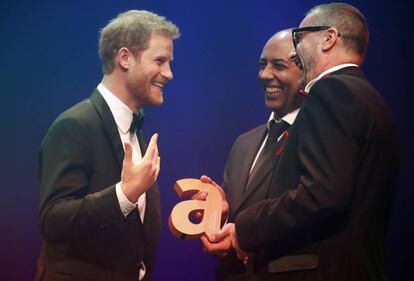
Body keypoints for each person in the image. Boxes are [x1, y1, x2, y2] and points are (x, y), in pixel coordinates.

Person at [202, 3, 399, 281]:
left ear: (328, 38)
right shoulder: (370, 98)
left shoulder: (331, 89)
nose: (297, 50)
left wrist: (243, 229)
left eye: (300, 38)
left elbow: (322, 194)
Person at [35, 10, 180, 281]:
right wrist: (123, 195)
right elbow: (53, 221)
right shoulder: (75, 125)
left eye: (169, 63)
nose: (169, 73)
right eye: (159, 61)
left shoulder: (137, 130)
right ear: (124, 58)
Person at [199, 29, 304, 280]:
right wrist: (220, 217)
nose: (265, 75)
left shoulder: (315, 138)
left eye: (278, 65)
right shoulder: (244, 143)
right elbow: (238, 220)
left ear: (305, 71)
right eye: (262, 65)